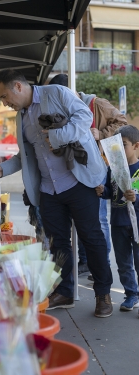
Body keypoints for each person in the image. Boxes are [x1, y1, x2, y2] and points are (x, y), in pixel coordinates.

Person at [0, 69, 113, 318]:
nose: (4, 103)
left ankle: (103, 294)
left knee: (91, 238)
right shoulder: (21, 117)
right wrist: (1, 169)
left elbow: (84, 116)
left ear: (17, 86)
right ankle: (65, 291)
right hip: (48, 189)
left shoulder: (56, 92)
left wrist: (58, 136)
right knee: (57, 244)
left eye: (4, 96)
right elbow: (26, 155)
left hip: (78, 181)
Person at [49, 74, 127, 277]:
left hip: (99, 166)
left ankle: (102, 265)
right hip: (76, 169)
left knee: (99, 218)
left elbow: (122, 122)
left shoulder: (96, 103)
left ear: (71, 92)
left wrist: (102, 134)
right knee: (82, 218)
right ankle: (86, 261)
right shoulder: (62, 109)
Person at [96, 125, 139, 311]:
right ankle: (131, 294)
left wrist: (136, 198)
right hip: (118, 223)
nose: (120, 150)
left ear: (136, 146)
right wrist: (101, 191)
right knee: (123, 264)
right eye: (117, 146)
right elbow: (109, 192)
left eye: (124, 145)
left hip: (137, 224)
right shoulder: (112, 169)